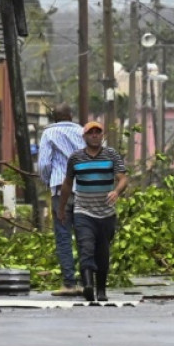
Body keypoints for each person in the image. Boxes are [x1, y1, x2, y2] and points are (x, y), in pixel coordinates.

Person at [57, 121, 128, 302]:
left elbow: (123, 179)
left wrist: (116, 191)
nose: (95, 135)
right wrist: (62, 208)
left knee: (102, 252)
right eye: (91, 133)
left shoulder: (111, 155)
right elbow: (67, 183)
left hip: (106, 213)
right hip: (83, 212)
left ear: (102, 136)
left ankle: (101, 290)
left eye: (98, 132)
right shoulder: (75, 158)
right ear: (84, 137)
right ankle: (88, 285)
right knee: (85, 247)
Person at [36, 103, 85, 297]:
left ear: (54, 118)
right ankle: (86, 281)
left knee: (63, 235)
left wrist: (49, 181)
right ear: (71, 116)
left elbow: (44, 164)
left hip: (60, 191)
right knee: (84, 236)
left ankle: (69, 283)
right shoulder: (84, 132)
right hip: (84, 190)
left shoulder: (49, 134)